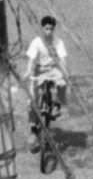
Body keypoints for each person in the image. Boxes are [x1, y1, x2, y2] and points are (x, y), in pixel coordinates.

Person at [25, 14, 69, 151]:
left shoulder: (58, 42)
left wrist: (65, 72)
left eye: (51, 29)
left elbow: (62, 59)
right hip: (39, 71)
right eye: (46, 29)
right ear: (42, 29)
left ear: (53, 29)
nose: (48, 32)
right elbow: (31, 60)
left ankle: (57, 106)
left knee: (62, 84)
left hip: (52, 70)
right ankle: (33, 129)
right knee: (31, 101)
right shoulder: (37, 42)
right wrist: (28, 72)